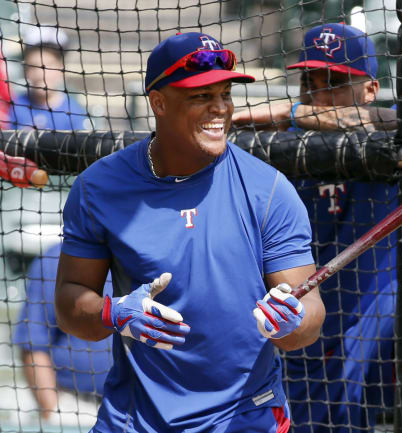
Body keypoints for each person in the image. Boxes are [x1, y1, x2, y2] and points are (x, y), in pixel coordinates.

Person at [54, 32, 325, 432]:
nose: (220, 109)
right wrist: (113, 312)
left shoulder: (268, 190)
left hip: (245, 416)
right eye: (201, 96)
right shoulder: (99, 188)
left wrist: (292, 321)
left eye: (225, 94)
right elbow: (68, 303)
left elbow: (311, 318)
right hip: (135, 419)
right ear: (158, 102)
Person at [234, 23, 402, 433]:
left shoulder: (398, 136)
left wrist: (294, 111)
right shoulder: (277, 144)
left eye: (336, 83)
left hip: (371, 309)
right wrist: (297, 119)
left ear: (369, 89)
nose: (319, 95)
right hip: (296, 313)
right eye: (311, 82)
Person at [12, 242, 112, 423]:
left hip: (139, 406)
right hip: (75, 409)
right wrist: (53, 411)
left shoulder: (141, 255)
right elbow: (33, 345)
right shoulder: (56, 258)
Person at [9, 28, 91, 131]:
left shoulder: (73, 113)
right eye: (33, 66)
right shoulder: (13, 107)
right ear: (25, 70)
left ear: (61, 70)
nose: (40, 74)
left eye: (48, 66)